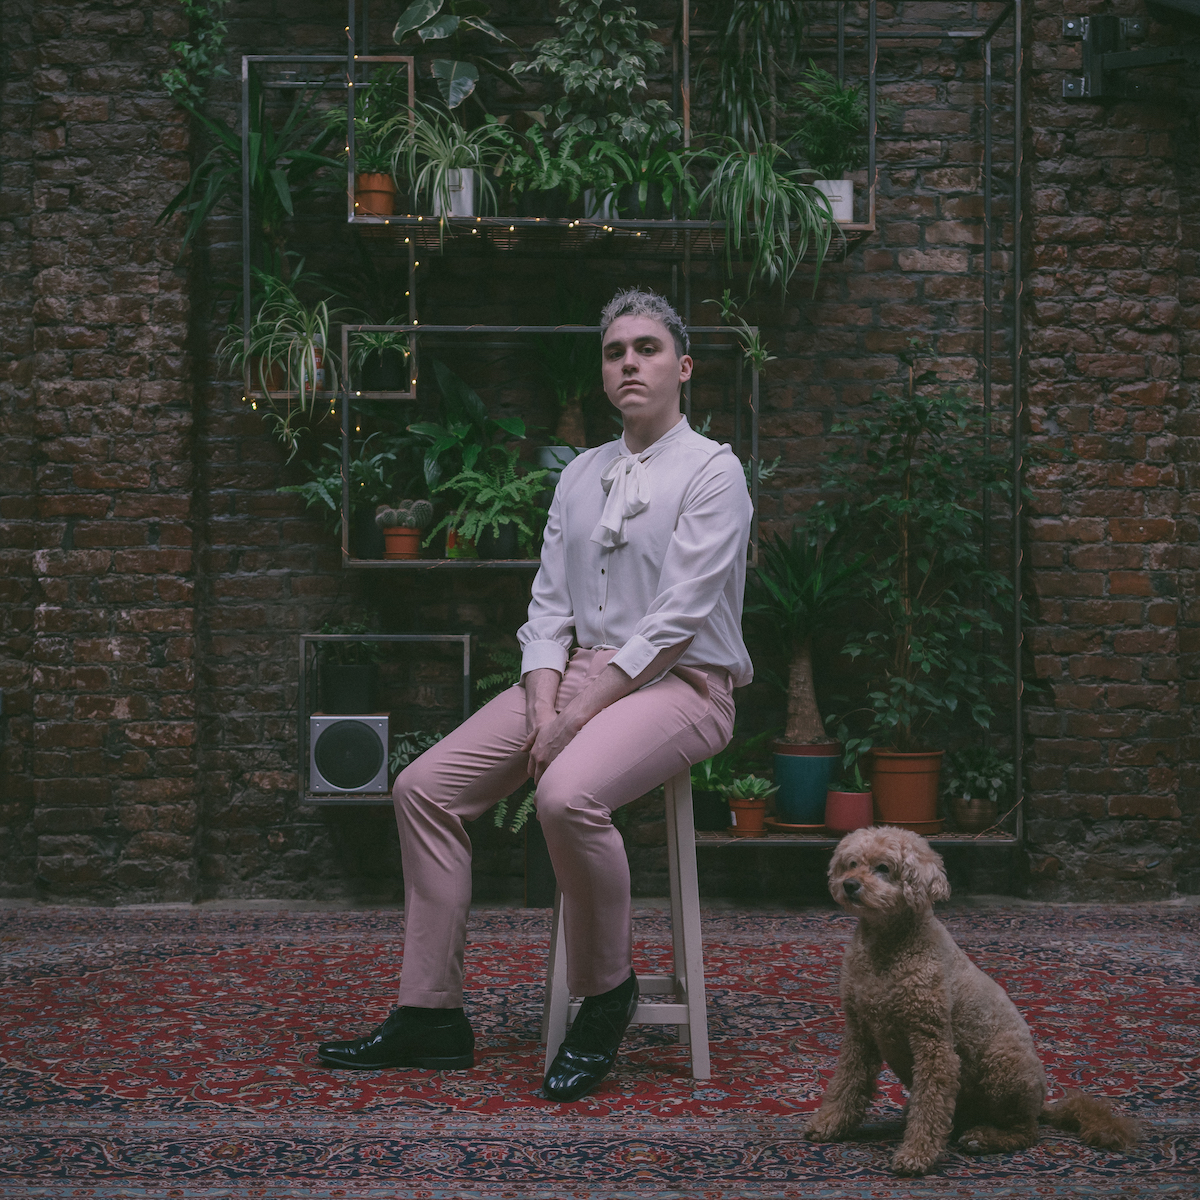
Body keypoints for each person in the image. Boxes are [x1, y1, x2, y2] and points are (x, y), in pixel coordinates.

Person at [317, 288, 753, 1100]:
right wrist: (548, 706)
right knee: (423, 789)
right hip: (576, 676)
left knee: (564, 795)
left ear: (683, 367)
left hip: (684, 684)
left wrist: (573, 722)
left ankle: (606, 991)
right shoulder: (582, 474)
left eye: (648, 348)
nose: (629, 361)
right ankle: (432, 1014)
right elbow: (548, 610)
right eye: (615, 349)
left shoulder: (713, 472)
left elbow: (676, 621)